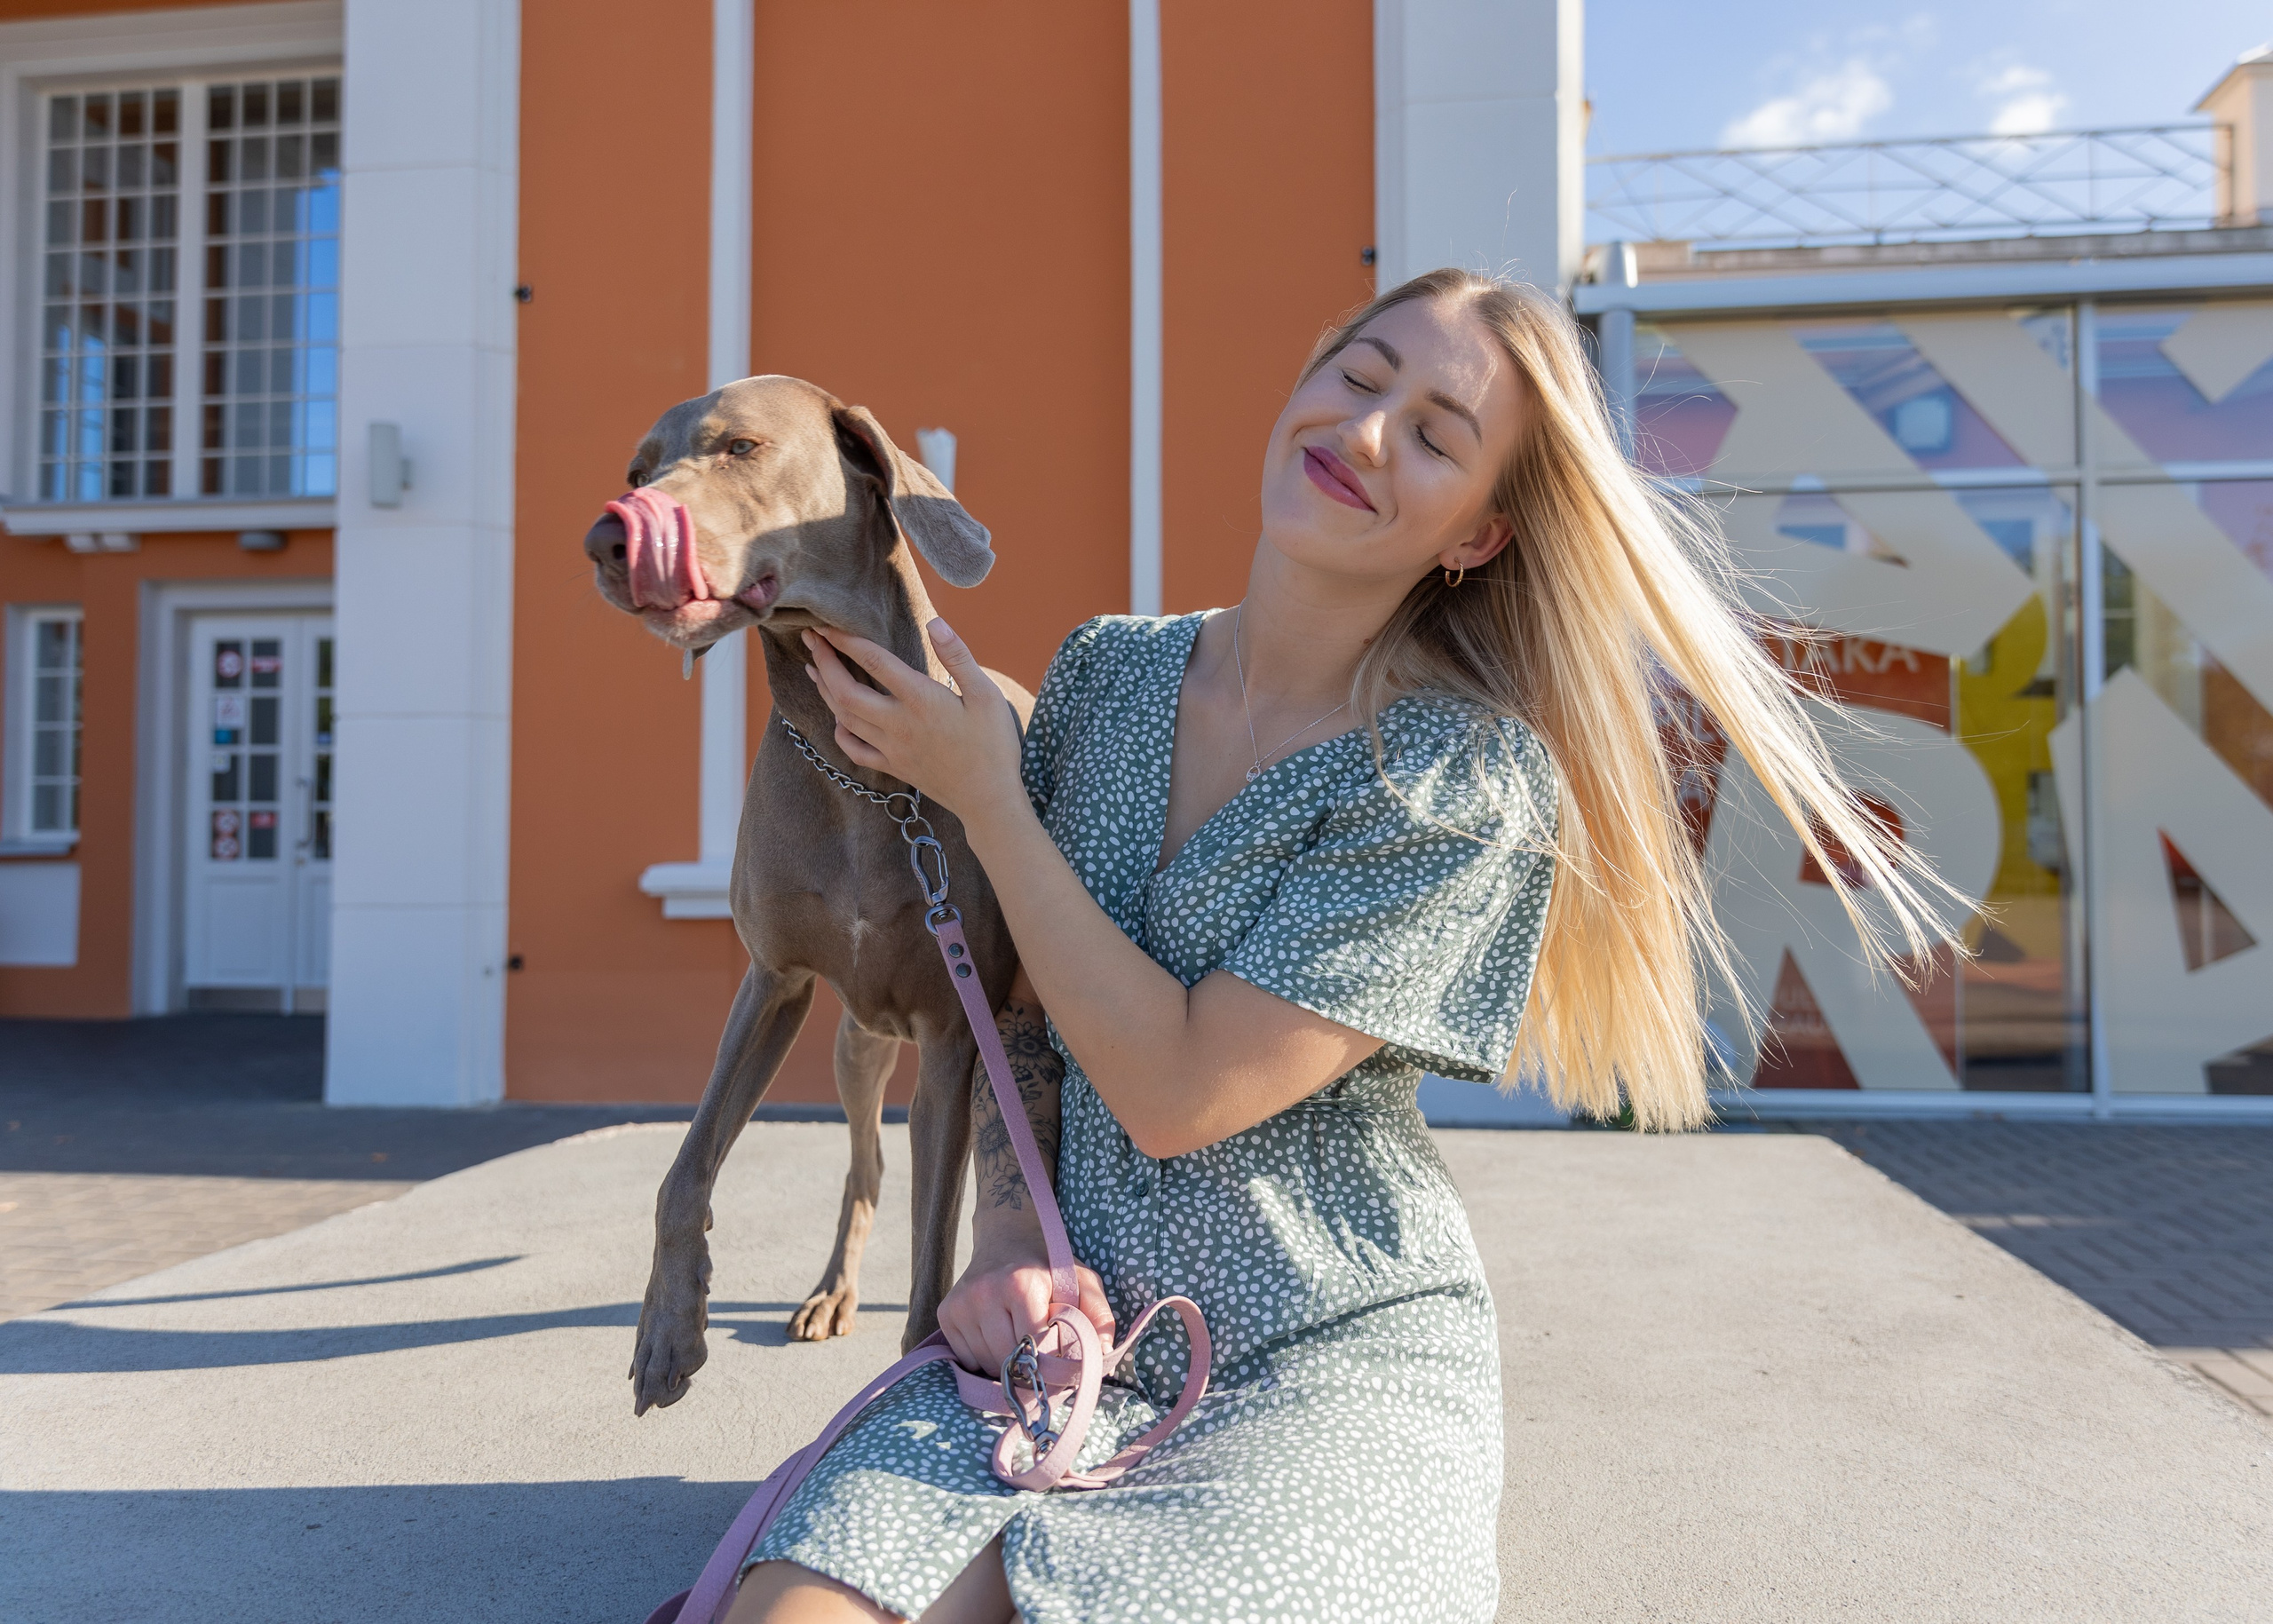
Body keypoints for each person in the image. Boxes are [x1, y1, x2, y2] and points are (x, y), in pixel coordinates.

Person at [727, 270, 1960, 1623]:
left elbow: (1180, 1091)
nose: (1367, 431)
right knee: (794, 1611)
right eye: (1361, 376)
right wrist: (1009, 1239)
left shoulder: (1458, 781)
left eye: (1435, 434)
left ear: (1479, 534)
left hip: (1323, 1346)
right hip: (1064, 1332)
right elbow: (1028, 1005)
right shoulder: (1106, 671)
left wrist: (987, 798)